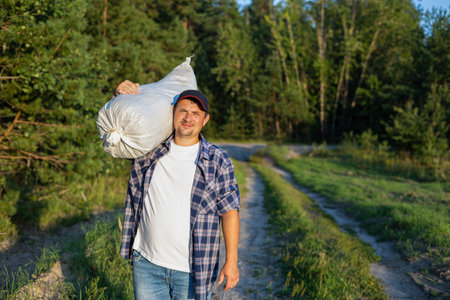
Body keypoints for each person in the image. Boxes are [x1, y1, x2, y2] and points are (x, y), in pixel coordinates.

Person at [114, 80, 240, 300]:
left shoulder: (218, 160)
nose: (188, 117)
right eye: (183, 110)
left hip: (193, 269)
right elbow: (121, 130)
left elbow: (230, 212)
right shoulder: (149, 150)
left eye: (196, 113)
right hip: (147, 264)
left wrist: (232, 261)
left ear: (205, 119)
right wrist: (121, 96)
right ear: (173, 113)